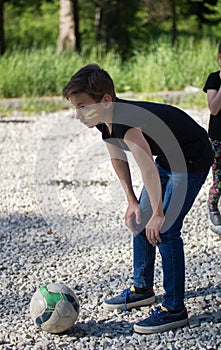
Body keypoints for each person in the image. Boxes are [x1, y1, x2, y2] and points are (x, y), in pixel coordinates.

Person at [63, 64, 213, 334]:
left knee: (164, 229)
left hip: (192, 158)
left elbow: (147, 169)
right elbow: (117, 158)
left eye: (83, 106)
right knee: (140, 220)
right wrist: (133, 201)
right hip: (169, 157)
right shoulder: (105, 120)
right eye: (76, 107)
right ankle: (142, 288)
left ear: (105, 100)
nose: (78, 115)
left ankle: (174, 309)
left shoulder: (126, 121)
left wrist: (158, 213)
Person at [203, 42, 221, 236]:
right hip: (218, 138)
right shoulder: (214, 79)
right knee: (219, 180)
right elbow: (214, 108)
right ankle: (213, 205)